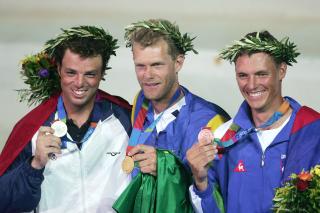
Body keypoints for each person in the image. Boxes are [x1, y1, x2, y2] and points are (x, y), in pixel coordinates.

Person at [0, 26, 132, 212]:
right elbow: (5, 202)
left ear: (102, 74)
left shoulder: (125, 119)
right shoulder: (32, 127)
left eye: (90, 74)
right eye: (71, 72)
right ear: (59, 70)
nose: (79, 83)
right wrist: (34, 165)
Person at [187, 30, 320, 212]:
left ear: (281, 70)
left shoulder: (312, 130)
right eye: (243, 75)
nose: (251, 85)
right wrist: (200, 181)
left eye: (261, 74)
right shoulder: (223, 138)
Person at [113, 19, 230, 212]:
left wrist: (167, 168)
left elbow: (220, 204)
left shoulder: (211, 123)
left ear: (178, 62)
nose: (147, 75)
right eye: (140, 66)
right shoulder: (140, 104)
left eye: (157, 65)